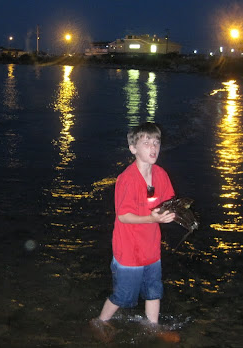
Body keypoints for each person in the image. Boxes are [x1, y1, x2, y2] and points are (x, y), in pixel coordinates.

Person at [90, 122, 180, 343]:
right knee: (122, 295)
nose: (153, 147)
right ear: (133, 148)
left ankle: (153, 326)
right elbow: (123, 216)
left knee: (154, 290)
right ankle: (100, 322)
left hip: (151, 248)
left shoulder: (160, 174)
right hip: (129, 251)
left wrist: (174, 215)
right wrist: (153, 218)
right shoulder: (127, 179)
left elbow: (168, 202)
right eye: (146, 142)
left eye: (156, 142)